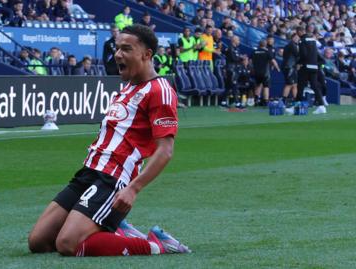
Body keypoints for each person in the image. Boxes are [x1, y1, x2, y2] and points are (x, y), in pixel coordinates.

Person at [27, 24, 190, 257]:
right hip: (89, 172)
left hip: (114, 179)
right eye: (117, 48)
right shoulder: (127, 88)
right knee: (38, 242)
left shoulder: (160, 91)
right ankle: (115, 231)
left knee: (67, 244)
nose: (118, 54)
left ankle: (156, 245)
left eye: (126, 49)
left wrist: (133, 188)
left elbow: (165, 151)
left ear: (146, 55)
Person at [289, 24, 326, 114]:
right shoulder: (313, 40)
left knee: (300, 86)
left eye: (298, 33)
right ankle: (321, 106)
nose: (298, 35)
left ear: (300, 32)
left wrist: (299, 63)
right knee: (315, 86)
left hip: (305, 67)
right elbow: (316, 54)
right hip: (314, 67)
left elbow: (304, 54)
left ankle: (297, 106)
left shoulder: (302, 41)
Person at [251, 39, 280, 106]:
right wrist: (277, 68)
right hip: (265, 72)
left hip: (256, 72)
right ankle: (265, 101)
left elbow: (250, 61)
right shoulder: (267, 52)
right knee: (266, 86)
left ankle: (256, 100)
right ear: (265, 44)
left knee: (258, 85)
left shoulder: (254, 51)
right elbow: (273, 61)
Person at [222, 36, 244, 108]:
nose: (239, 41)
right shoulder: (230, 48)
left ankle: (223, 101)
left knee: (228, 86)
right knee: (234, 85)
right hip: (231, 69)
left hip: (233, 68)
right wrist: (241, 58)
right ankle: (237, 103)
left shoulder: (236, 48)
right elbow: (233, 58)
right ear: (234, 40)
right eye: (238, 40)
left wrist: (240, 58)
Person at [281, 33, 299, 106]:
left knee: (294, 84)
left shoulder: (293, 45)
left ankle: (296, 100)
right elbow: (298, 54)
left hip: (292, 67)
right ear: (293, 38)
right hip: (289, 67)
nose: (298, 39)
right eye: (296, 37)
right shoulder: (292, 45)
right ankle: (283, 101)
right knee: (289, 84)